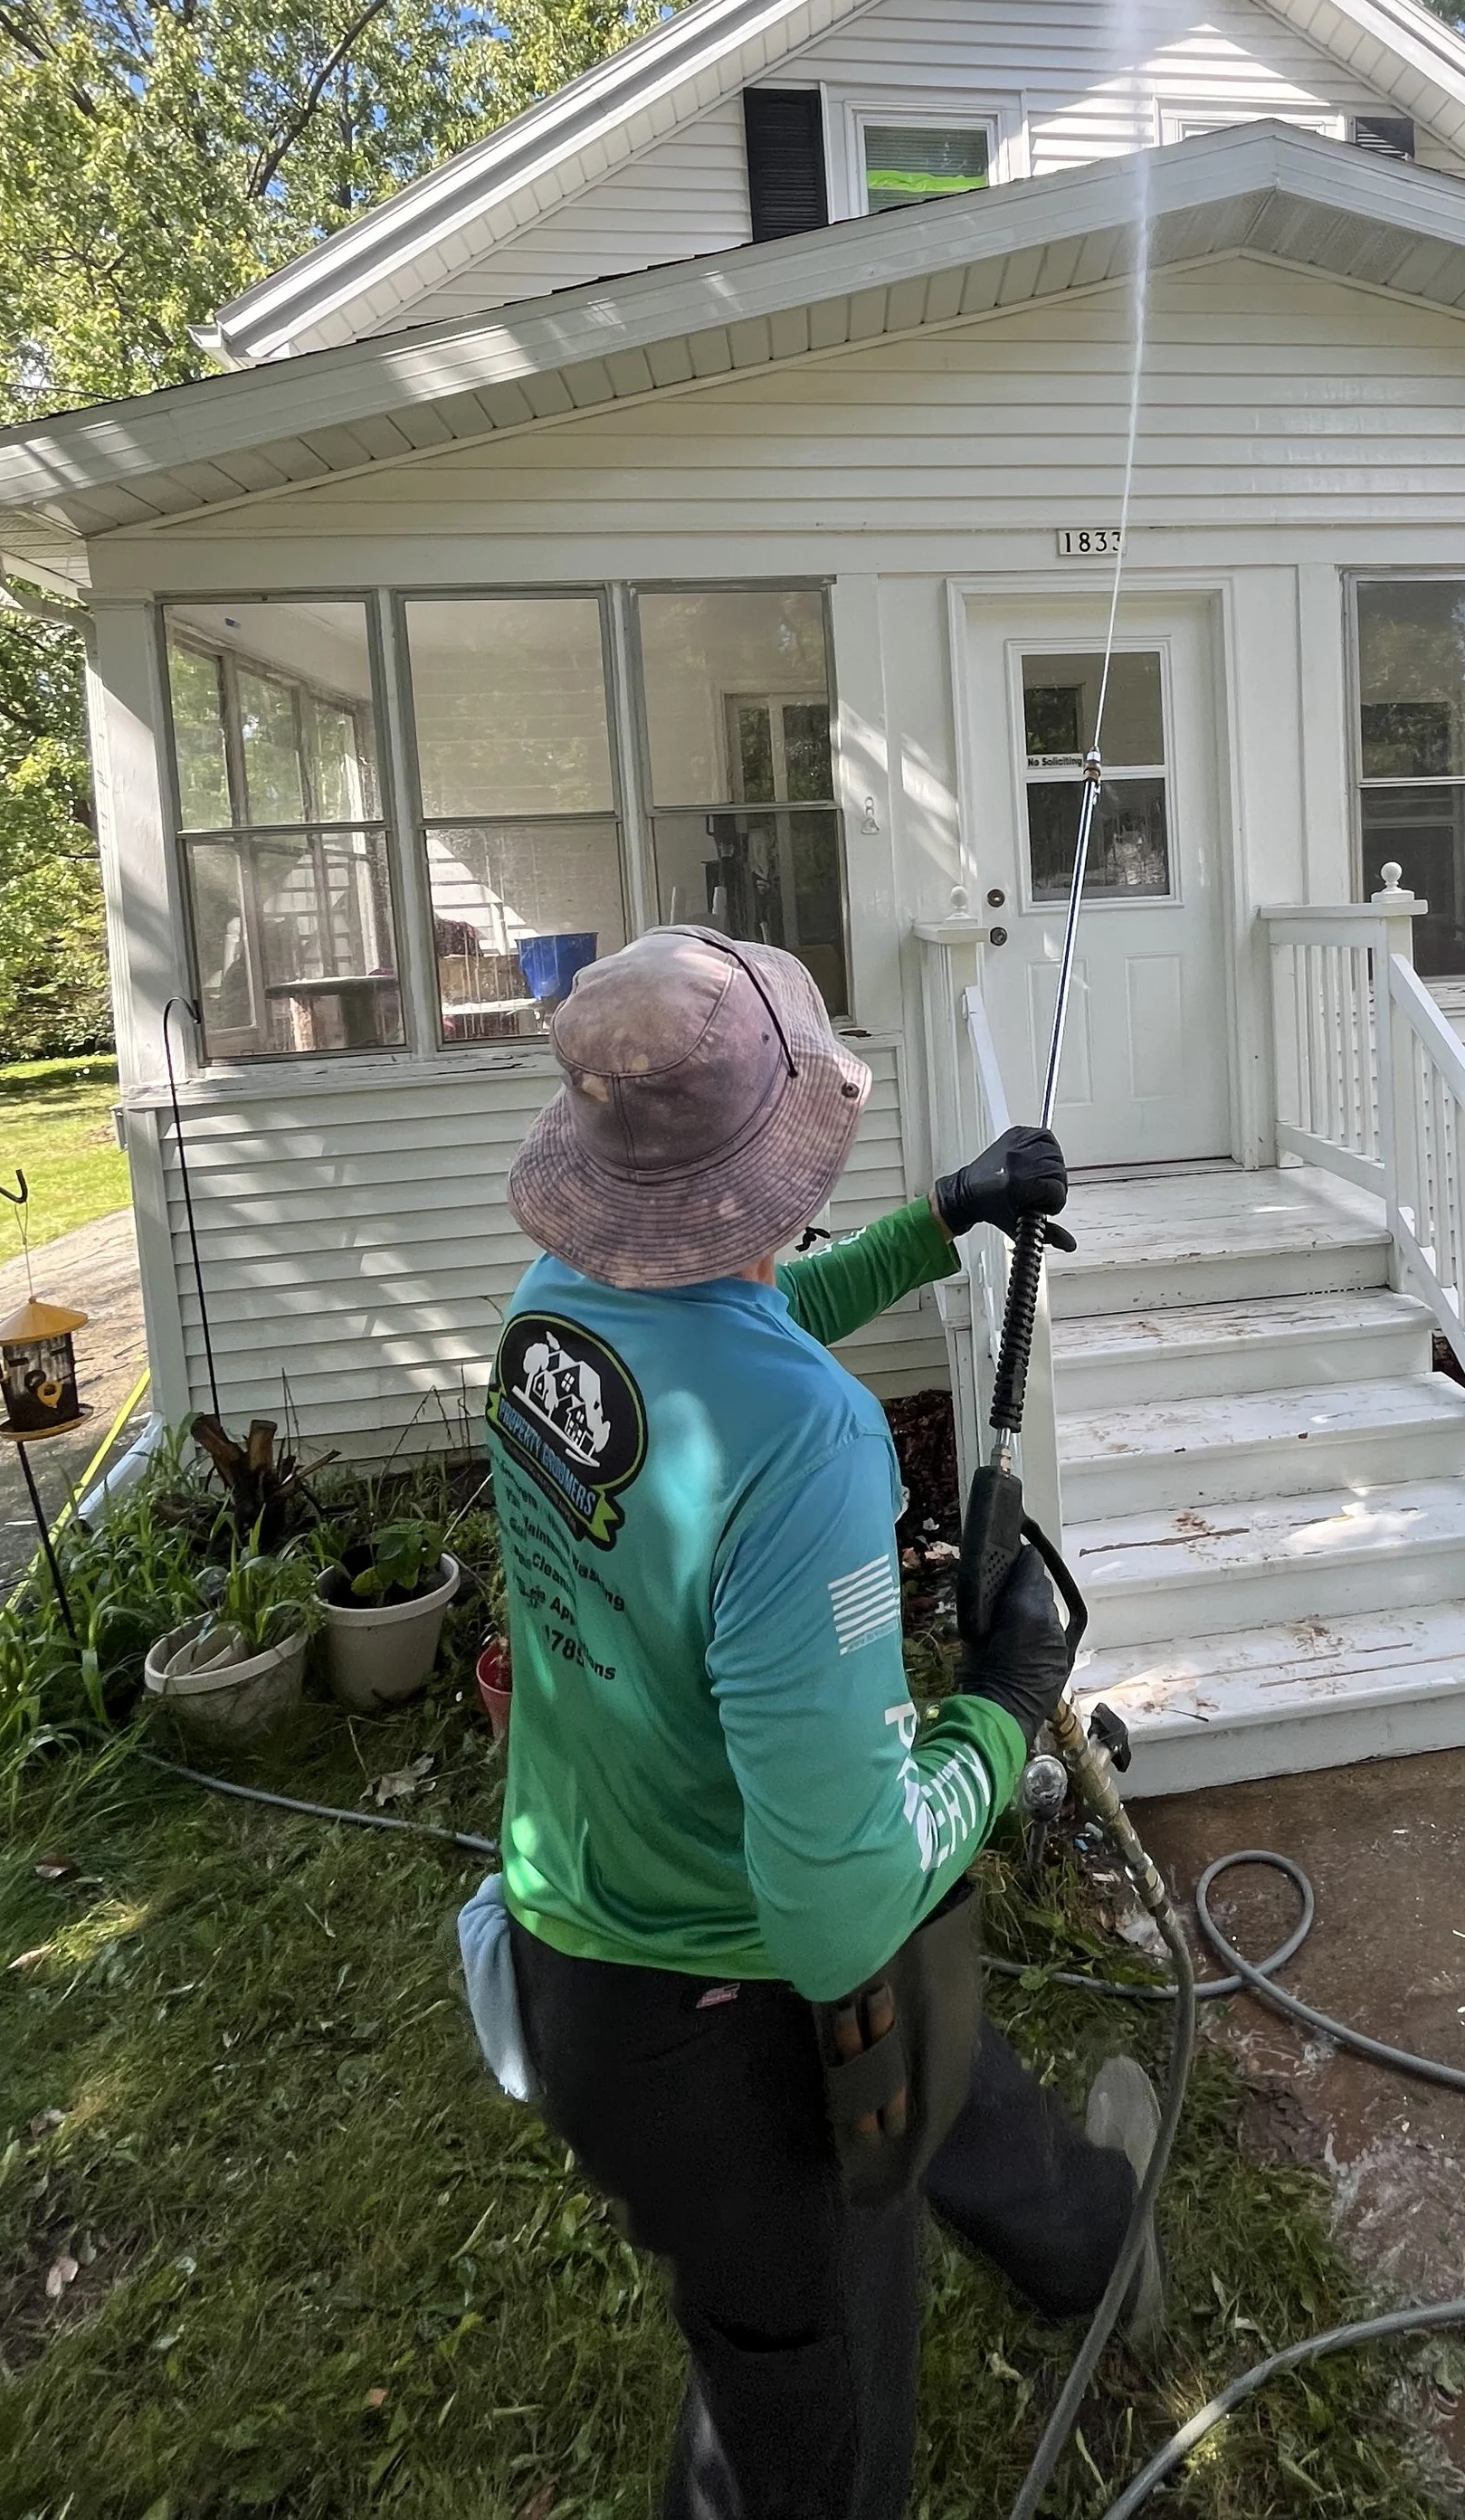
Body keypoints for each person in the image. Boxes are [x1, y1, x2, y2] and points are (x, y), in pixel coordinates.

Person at [485, 925, 1158, 2520]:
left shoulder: (556, 1312)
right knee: (804, 2422)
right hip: (739, 2031)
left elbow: (753, 1313)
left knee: (947, 2077)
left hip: (578, 1944)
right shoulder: (809, 1446)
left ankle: (1084, 2242)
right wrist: (1002, 1708)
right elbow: (845, 1895)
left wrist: (943, 1218)